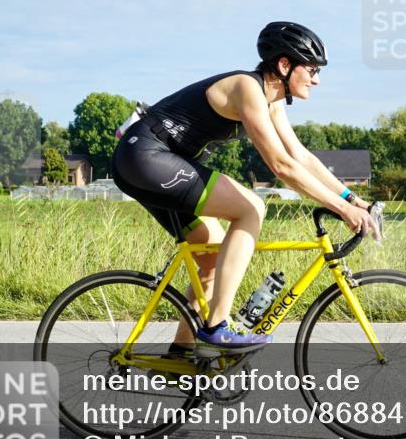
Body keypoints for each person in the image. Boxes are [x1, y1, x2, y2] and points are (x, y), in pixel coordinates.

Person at [110, 22, 381, 349]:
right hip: (146, 156)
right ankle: (216, 326)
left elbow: (300, 156)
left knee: (210, 263)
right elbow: (281, 166)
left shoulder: (272, 101)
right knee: (251, 208)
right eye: (311, 70)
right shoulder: (247, 88)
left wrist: (354, 200)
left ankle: (180, 355)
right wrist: (342, 210)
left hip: (153, 163)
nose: (317, 79)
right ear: (284, 65)